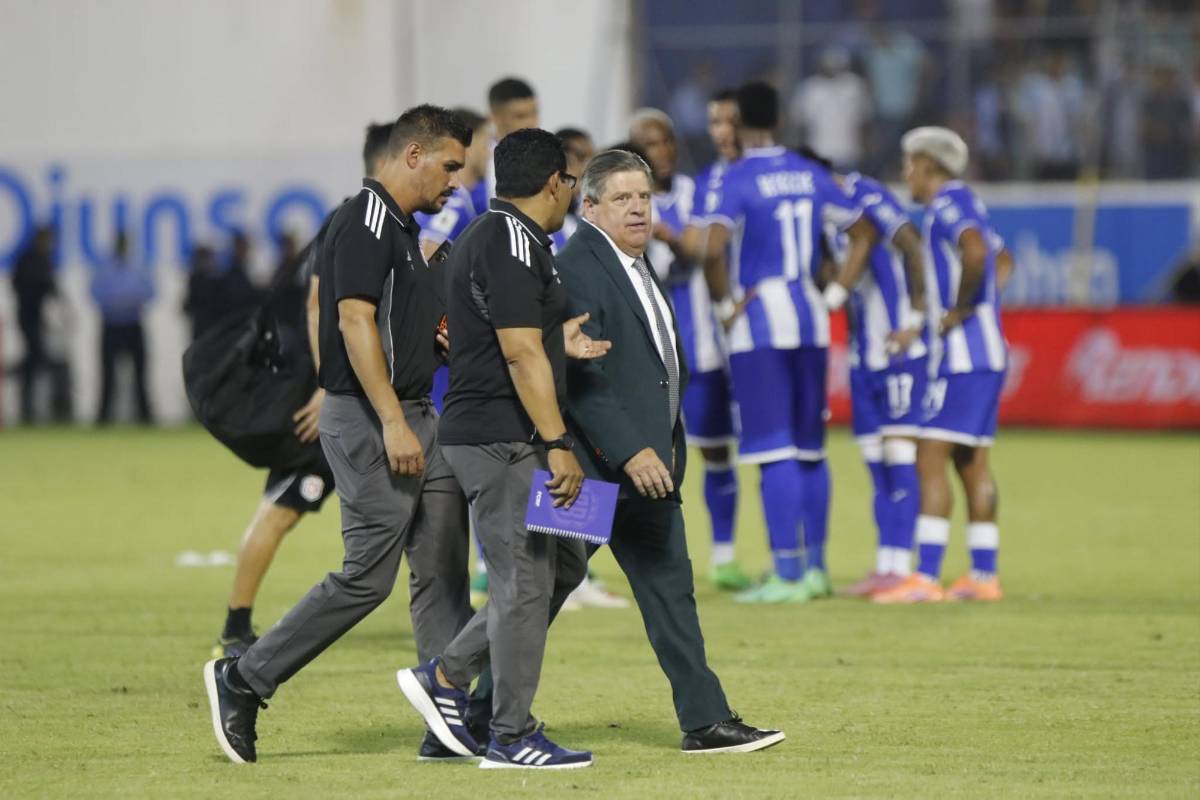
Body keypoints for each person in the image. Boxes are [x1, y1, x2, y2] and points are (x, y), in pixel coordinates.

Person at [203, 104, 476, 764]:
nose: (456, 181)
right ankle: (244, 678)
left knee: (442, 567)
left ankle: (447, 708)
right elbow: (353, 322)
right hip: (371, 418)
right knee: (367, 580)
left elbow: (402, 326)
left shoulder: (406, 232)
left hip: (417, 415)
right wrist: (390, 421)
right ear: (412, 155)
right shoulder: (364, 220)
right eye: (449, 165)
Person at [559, 148, 784, 754]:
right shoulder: (578, 264)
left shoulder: (635, 262)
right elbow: (580, 378)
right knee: (535, 593)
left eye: (644, 197)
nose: (637, 208)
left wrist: (651, 451)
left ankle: (706, 720)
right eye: (622, 198)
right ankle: (461, 698)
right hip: (585, 470)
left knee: (671, 592)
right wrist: (631, 449)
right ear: (590, 207)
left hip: (647, 472)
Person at [395, 128, 606, 769]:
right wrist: (558, 442)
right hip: (506, 438)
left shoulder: (500, 236)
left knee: (570, 559)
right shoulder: (513, 240)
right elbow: (515, 349)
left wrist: (554, 342)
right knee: (522, 582)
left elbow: (498, 337)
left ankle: (448, 677)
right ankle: (509, 733)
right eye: (571, 180)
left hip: (506, 430)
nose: (571, 190)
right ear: (553, 183)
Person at [209, 122, 394, 661]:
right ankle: (237, 624)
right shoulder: (355, 221)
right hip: (346, 397)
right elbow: (320, 306)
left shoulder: (379, 221)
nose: (449, 176)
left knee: (423, 510)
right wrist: (326, 385)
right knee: (284, 506)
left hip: (379, 398)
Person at [702, 82, 875, 603]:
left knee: (773, 446)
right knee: (810, 448)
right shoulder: (811, 173)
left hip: (761, 322)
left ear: (738, 122)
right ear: (778, 117)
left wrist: (723, 306)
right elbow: (863, 231)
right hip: (812, 315)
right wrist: (838, 291)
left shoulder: (739, 177)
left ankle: (787, 574)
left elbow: (711, 248)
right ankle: (818, 569)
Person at [873, 126, 1006, 604]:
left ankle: (926, 578)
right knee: (972, 464)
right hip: (985, 353)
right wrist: (933, 321)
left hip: (964, 359)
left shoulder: (948, 205)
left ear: (926, 166)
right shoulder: (968, 203)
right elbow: (1000, 259)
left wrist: (963, 309)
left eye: (909, 165)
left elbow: (976, 252)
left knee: (930, 456)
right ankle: (983, 575)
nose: (906, 174)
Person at [631, 102, 748, 591]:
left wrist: (673, 239)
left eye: (668, 141)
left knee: (717, 451)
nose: (664, 151)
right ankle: (583, 566)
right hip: (640, 356)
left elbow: (703, 252)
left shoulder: (699, 193)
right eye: (651, 143)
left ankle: (723, 558)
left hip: (700, 351)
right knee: (608, 453)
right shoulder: (621, 198)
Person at [817, 160, 928, 598]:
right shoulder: (823, 220)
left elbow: (912, 243)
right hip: (864, 356)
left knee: (901, 458)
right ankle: (885, 565)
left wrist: (916, 318)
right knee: (875, 463)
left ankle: (903, 567)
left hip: (899, 348)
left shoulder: (866, 194)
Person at [91, 230, 154, 424]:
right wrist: (122, 301)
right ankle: (103, 418)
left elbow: (150, 291)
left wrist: (126, 301)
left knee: (140, 375)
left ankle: (145, 417)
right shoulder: (104, 267)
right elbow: (95, 292)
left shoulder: (138, 266)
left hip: (133, 324)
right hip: (111, 325)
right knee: (108, 375)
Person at [788, 47, 872, 171]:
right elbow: (798, 122)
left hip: (849, 152)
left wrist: (866, 145)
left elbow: (865, 119)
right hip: (818, 153)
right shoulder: (810, 88)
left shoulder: (854, 86)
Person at [12, 226, 58, 424]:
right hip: (28, 314)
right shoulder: (31, 259)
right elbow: (25, 285)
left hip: (36, 315)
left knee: (35, 358)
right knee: (35, 358)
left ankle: (31, 406)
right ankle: (28, 407)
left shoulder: (41, 259)